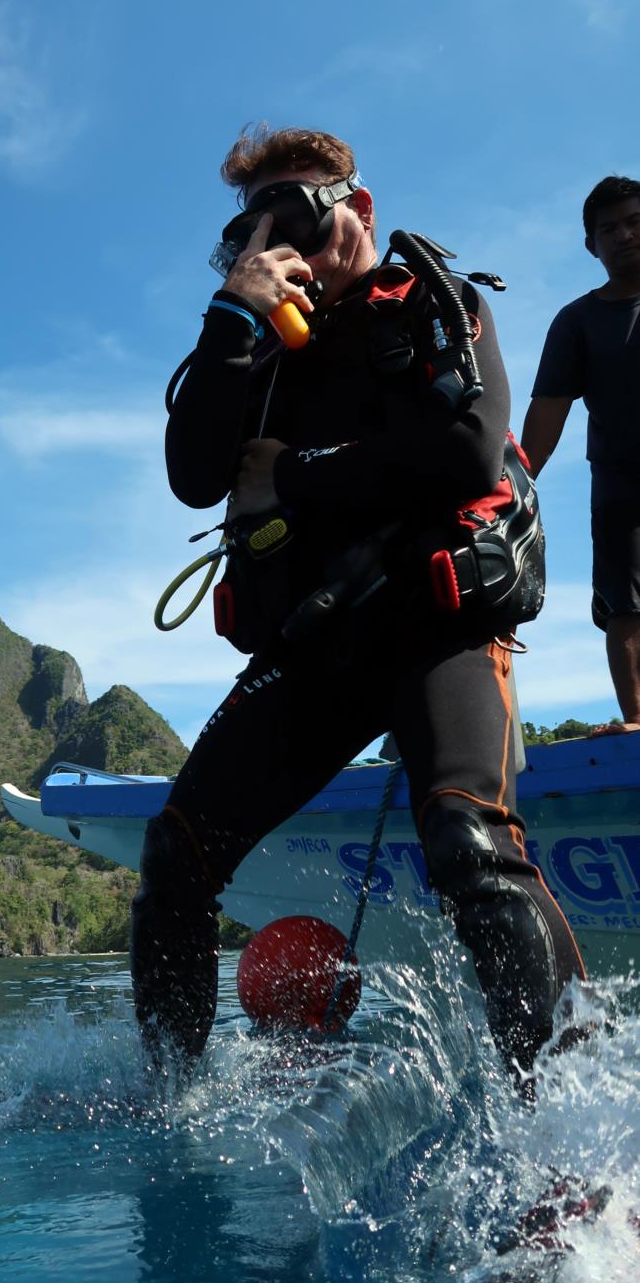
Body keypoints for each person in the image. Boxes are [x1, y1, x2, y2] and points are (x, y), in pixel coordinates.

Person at [132, 125, 584, 1090]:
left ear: (358, 209)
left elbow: (468, 451)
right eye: (248, 228)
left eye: (292, 210)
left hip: (438, 621)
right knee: (175, 851)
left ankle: (563, 1121)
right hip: (320, 645)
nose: (271, 238)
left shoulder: (432, 301)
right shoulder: (255, 349)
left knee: (469, 842)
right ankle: (162, 1102)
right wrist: (231, 318)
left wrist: (293, 474)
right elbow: (188, 476)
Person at [522, 175, 640, 735]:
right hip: (621, 484)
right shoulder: (577, 321)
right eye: (608, 229)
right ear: (592, 246)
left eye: (635, 222)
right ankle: (638, 720)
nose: (623, 235)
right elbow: (547, 413)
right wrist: (509, 493)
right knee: (626, 601)